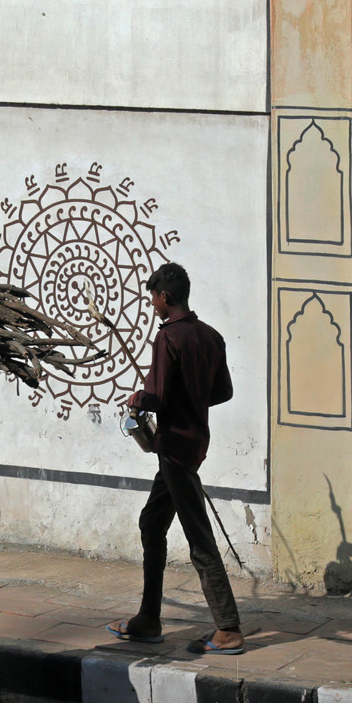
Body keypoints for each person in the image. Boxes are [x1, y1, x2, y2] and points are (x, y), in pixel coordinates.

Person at [107, 263, 244, 655]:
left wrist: (138, 398)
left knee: (198, 536)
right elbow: (223, 392)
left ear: (165, 297)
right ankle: (148, 617)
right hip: (195, 441)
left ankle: (228, 628)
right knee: (152, 523)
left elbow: (158, 396)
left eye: (153, 298)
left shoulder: (168, 338)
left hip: (175, 447)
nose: (152, 304)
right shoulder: (211, 336)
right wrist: (191, 399)